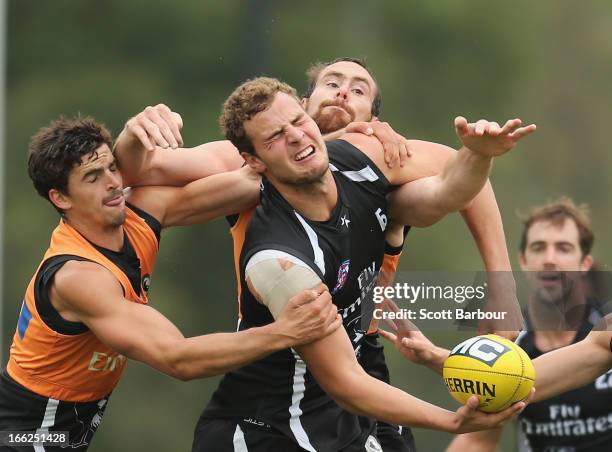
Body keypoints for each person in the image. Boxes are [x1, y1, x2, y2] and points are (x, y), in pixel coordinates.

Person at [114, 58, 527, 451]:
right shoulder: (249, 176)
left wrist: (501, 287)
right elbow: (139, 177)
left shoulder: (376, 155)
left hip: (365, 351)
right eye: (332, 83)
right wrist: (134, 134)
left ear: (372, 119)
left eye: (359, 89)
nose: (343, 93)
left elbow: (459, 179)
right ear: (307, 100)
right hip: (283, 385)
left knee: (569, 328)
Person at [0, 115, 341, 451]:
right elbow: (178, 359)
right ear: (61, 198)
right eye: (92, 177)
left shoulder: (140, 212)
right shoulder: (78, 277)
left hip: (70, 423)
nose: (112, 183)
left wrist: (344, 139)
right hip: (27, 430)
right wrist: (285, 332)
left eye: (112, 168)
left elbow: (253, 181)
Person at [383, 198, 612, 451]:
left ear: (585, 265)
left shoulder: (602, 330)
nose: (550, 259)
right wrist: (434, 357)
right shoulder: (508, 342)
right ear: (523, 260)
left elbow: (511, 378)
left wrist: (438, 358)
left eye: (563, 248)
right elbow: (481, 434)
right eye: (539, 247)